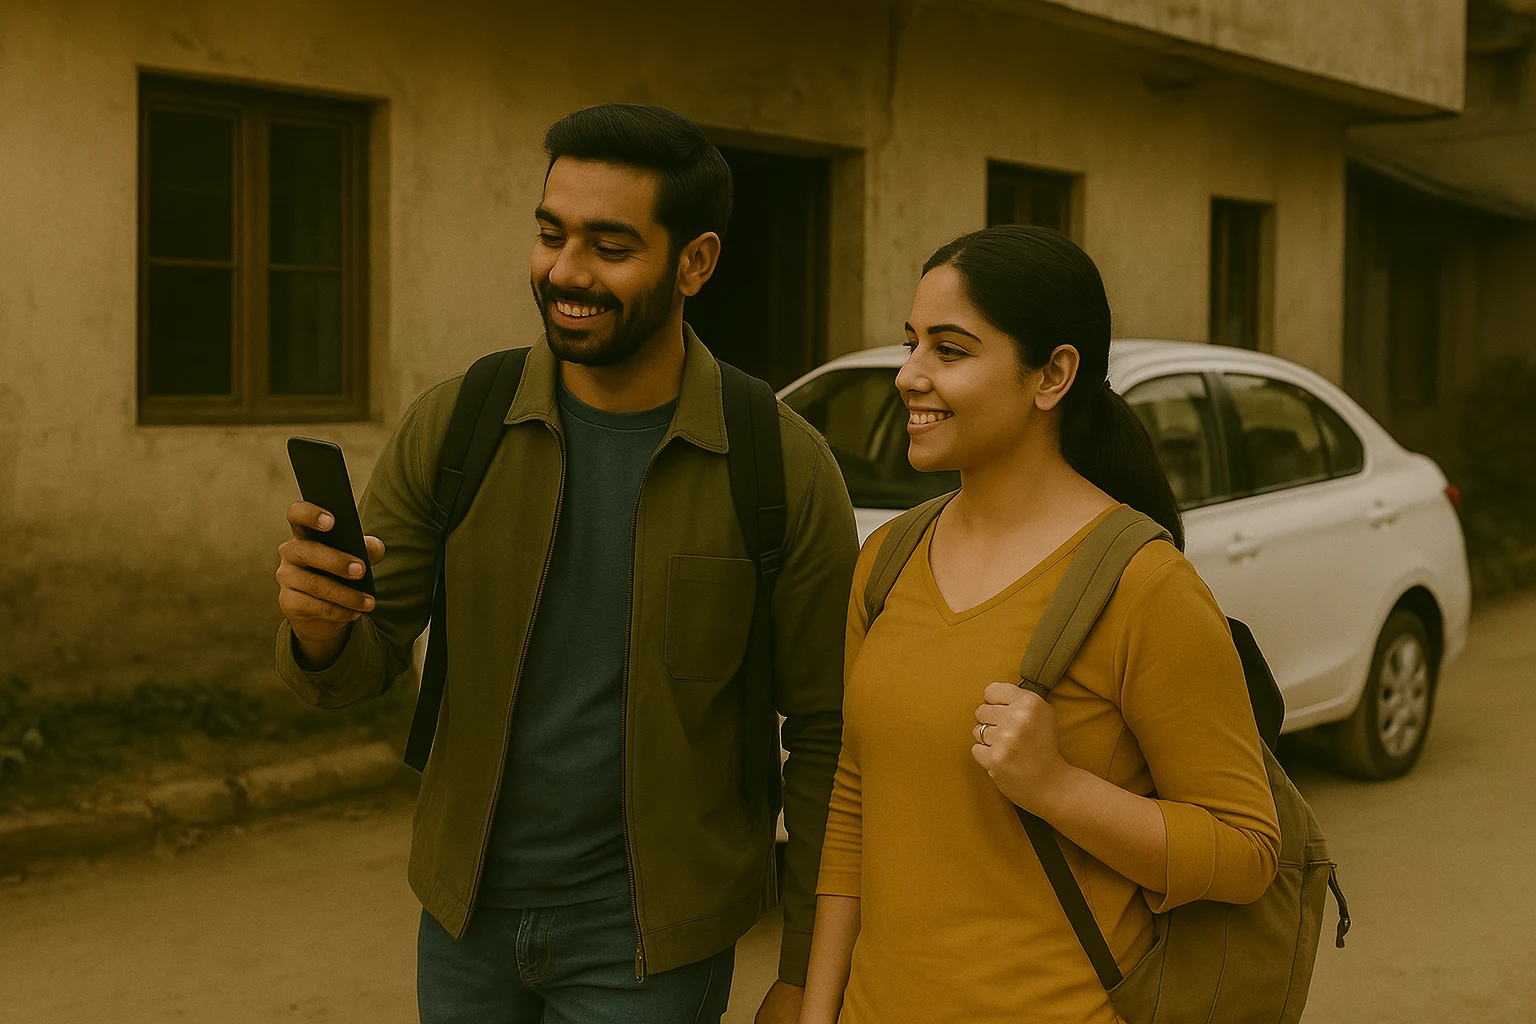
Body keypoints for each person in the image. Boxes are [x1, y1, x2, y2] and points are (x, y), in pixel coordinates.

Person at [274, 103, 857, 1024]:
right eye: (552, 235)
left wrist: (805, 969)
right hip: (465, 922)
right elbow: (360, 666)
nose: (567, 272)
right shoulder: (458, 424)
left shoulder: (779, 464)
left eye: (610, 247)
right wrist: (319, 632)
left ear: (695, 262)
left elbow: (829, 733)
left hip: (650, 947)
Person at [798, 226, 1281, 1024]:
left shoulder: (1143, 584)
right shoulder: (887, 559)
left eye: (950, 350)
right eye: (912, 343)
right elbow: (854, 802)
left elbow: (1246, 851)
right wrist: (819, 1013)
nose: (909, 374)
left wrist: (1058, 788)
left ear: (1053, 375)